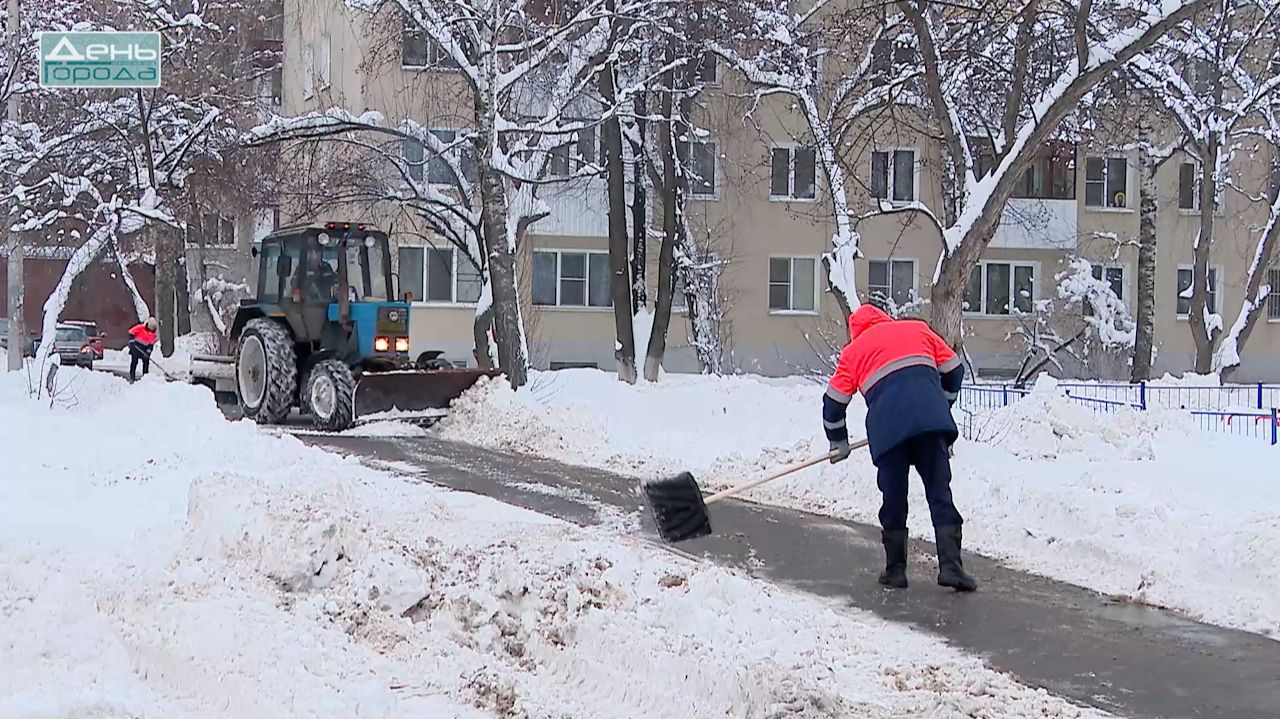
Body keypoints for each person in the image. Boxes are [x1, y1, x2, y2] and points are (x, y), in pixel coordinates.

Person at [823, 302, 976, 592]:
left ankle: (895, 571)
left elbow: (833, 402)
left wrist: (838, 442)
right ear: (885, 319)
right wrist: (941, 404)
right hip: (931, 426)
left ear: (855, 332)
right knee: (939, 492)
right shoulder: (917, 329)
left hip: (888, 431)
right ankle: (952, 568)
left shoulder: (854, 352)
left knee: (894, 497)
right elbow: (954, 369)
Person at [127, 317, 159, 382]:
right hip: (136, 347)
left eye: (153, 328)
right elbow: (131, 332)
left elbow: (151, 345)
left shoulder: (153, 334)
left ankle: (145, 378)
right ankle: (132, 377)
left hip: (144, 349)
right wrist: (131, 341)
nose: (152, 329)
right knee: (134, 362)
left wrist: (148, 352)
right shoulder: (140, 328)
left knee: (146, 362)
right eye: (151, 327)